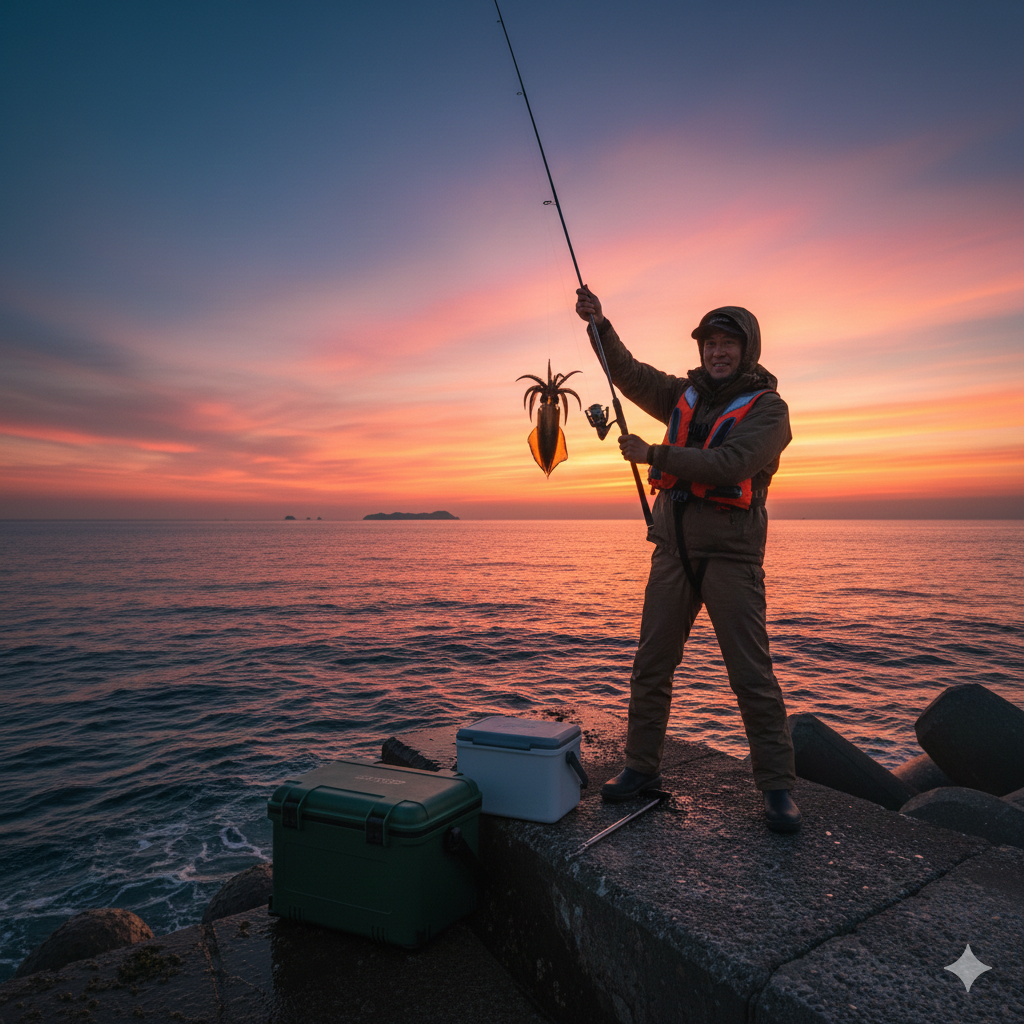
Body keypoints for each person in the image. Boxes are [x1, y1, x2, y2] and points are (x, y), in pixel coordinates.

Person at [574, 285, 801, 833]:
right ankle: (639, 768)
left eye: (728, 344)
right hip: (672, 553)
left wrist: (654, 454)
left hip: (731, 558)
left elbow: (731, 463)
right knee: (651, 666)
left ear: (748, 351)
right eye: (710, 343)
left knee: (751, 676)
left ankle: (777, 789)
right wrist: (600, 324)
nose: (717, 352)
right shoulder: (681, 393)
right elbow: (627, 374)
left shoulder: (770, 410)